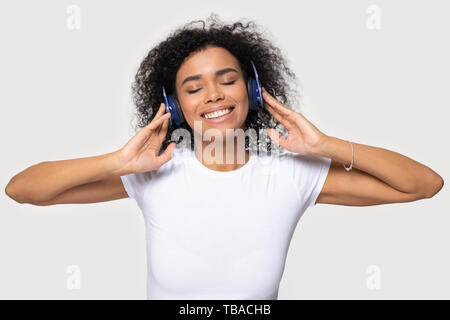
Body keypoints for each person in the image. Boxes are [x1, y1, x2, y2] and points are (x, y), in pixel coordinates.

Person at [5, 14, 444, 300]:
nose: (212, 95)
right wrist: (116, 163)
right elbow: (22, 190)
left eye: (227, 80)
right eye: (193, 88)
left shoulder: (291, 177)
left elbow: (423, 185)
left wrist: (327, 146)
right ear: (176, 106)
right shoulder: (153, 172)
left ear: (252, 92)